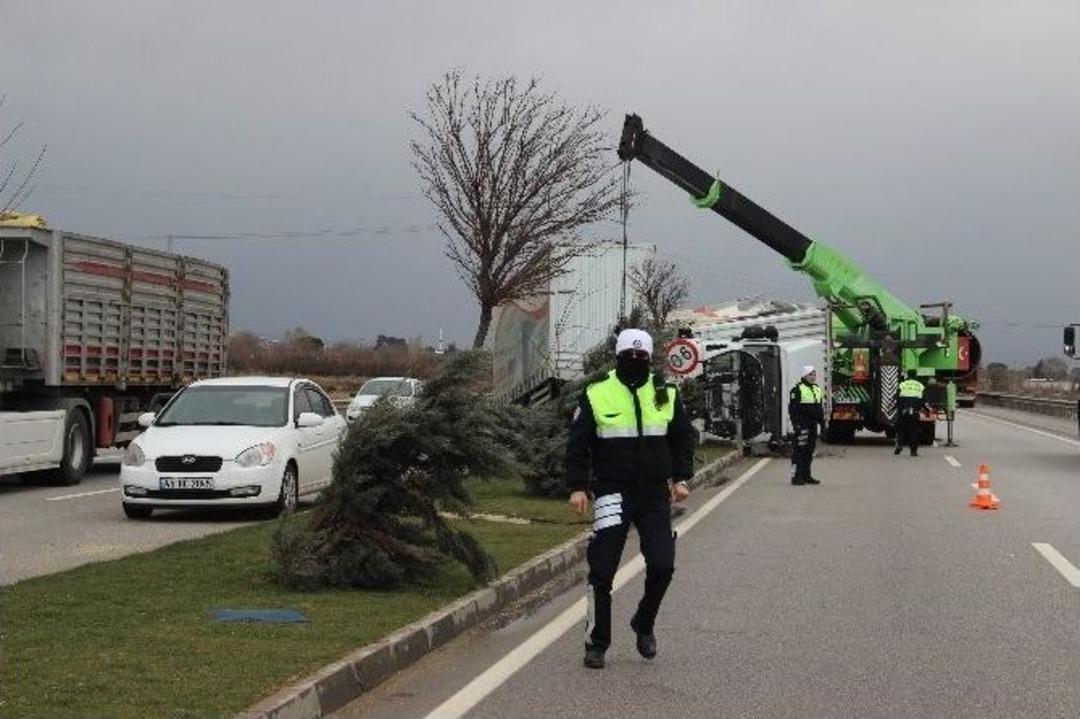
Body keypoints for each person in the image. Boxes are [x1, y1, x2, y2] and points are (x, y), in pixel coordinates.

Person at [565, 328, 695, 670]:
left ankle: (644, 622)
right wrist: (578, 486)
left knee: (663, 564)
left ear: (649, 359)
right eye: (629, 356)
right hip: (612, 492)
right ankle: (597, 642)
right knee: (602, 570)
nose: (635, 361)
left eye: (642, 357)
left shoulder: (665, 392)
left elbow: (682, 437)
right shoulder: (597, 393)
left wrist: (681, 477)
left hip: (653, 494)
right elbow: (578, 444)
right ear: (618, 356)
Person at [789, 365, 825, 486]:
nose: (813, 376)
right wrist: (796, 425)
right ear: (804, 375)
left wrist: (823, 424)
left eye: (814, 374)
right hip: (801, 425)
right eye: (811, 374)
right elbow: (793, 410)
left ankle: (806, 475)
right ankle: (796, 476)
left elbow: (819, 409)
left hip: (812, 425)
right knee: (799, 451)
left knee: (809, 451)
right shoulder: (797, 389)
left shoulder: (817, 389)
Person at [894, 371, 927, 456]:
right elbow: (924, 400)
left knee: (901, 429)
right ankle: (913, 451)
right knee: (914, 431)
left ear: (907, 376)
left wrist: (897, 408)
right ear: (916, 376)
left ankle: (900, 445)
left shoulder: (902, 384)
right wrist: (925, 410)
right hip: (915, 412)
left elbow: (896, 397)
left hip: (903, 412)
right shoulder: (920, 386)